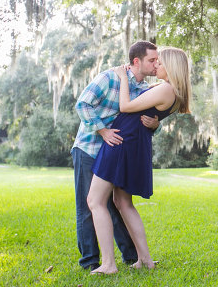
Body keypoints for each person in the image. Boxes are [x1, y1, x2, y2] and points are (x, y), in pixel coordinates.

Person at [86, 46, 192, 275]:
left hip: (121, 143)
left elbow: (125, 106)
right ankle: (145, 260)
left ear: (171, 67)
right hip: (132, 142)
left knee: (95, 201)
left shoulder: (166, 89)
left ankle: (108, 264)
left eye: (160, 63)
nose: (156, 66)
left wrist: (123, 77)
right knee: (123, 202)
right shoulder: (170, 92)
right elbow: (149, 113)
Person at [71, 40, 161, 272]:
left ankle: (131, 256)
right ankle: (90, 261)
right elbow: (83, 105)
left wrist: (154, 125)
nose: (156, 64)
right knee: (87, 206)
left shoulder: (145, 89)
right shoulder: (109, 77)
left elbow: (139, 120)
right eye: (152, 60)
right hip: (89, 147)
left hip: (114, 153)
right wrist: (102, 130)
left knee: (117, 204)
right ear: (136, 61)